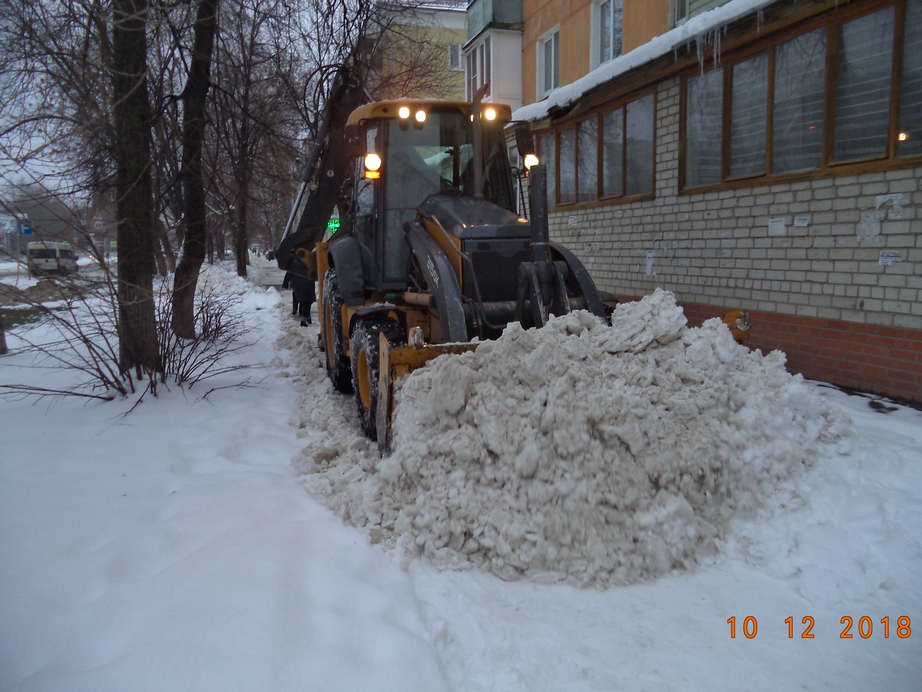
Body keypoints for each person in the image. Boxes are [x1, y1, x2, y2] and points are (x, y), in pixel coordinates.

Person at [282, 251, 316, 327]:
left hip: (296, 284)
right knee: (307, 302)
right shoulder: (309, 260)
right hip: (308, 283)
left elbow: (288, 274)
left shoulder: (293, 262)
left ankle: (307, 318)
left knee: (303, 301)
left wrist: (285, 284)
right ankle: (303, 321)